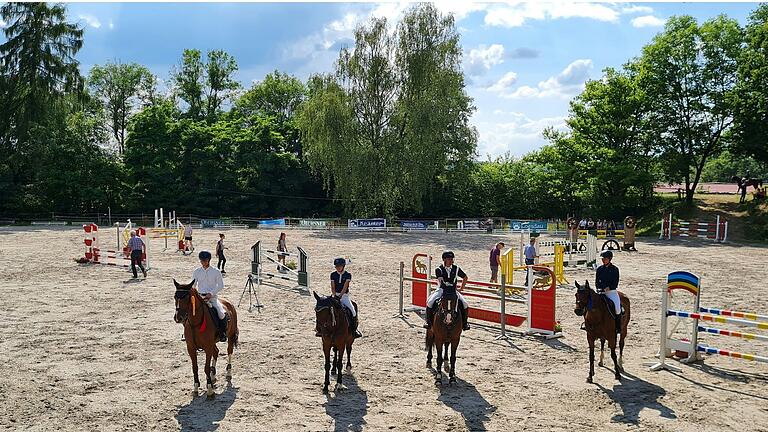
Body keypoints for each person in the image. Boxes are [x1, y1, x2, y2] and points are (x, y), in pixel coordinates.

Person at [424, 250, 470, 331]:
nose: (451, 261)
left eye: (452, 259)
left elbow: (465, 277)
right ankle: (428, 322)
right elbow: (441, 281)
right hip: (442, 290)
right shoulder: (439, 269)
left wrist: (461, 288)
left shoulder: (456, 269)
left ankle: (465, 323)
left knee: (465, 304)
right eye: (449, 259)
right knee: (430, 302)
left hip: (453, 290)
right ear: (444, 259)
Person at [320, 257, 361, 338]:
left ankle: (354, 330)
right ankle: (319, 329)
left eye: (339, 266)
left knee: (353, 312)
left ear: (343, 266)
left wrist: (340, 296)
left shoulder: (348, 275)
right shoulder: (333, 274)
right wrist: (334, 295)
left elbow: (345, 287)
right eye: (336, 266)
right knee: (324, 309)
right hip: (335, 295)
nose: (338, 268)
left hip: (344, 296)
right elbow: (332, 286)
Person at [192, 251, 228, 342]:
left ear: (209, 260)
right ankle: (188, 332)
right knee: (189, 312)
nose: (203, 262)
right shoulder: (197, 272)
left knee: (221, 313)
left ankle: (222, 333)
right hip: (200, 297)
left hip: (212, 298)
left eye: (205, 260)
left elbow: (220, 285)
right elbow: (193, 285)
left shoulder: (216, 272)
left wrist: (211, 294)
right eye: (202, 261)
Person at [595, 250, 622, 334]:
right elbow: (596, 281)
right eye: (602, 258)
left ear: (609, 259)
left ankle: (618, 327)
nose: (603, 260)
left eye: (605, 258)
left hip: (611, 292)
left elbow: (615, 282)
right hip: (600, 292)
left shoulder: (615, 269)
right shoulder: (599, 269)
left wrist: (608, 288)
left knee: (617, 309)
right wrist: (598, 288)